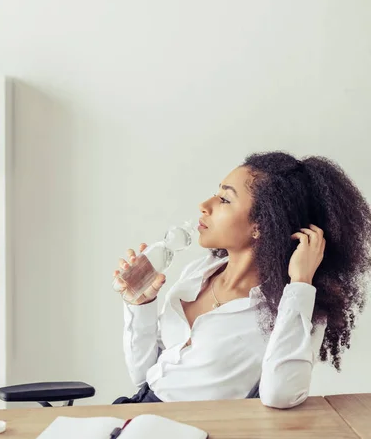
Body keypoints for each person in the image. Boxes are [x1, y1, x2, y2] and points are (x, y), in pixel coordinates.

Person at [112, 151, 371, 408]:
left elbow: (279, 395)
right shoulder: (197, 273)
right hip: (141, 412)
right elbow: (144, 377)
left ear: (261, 224)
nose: (205, 205)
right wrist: (141, 305)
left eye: (224, 199)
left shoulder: (294, 307)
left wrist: (301, 282)